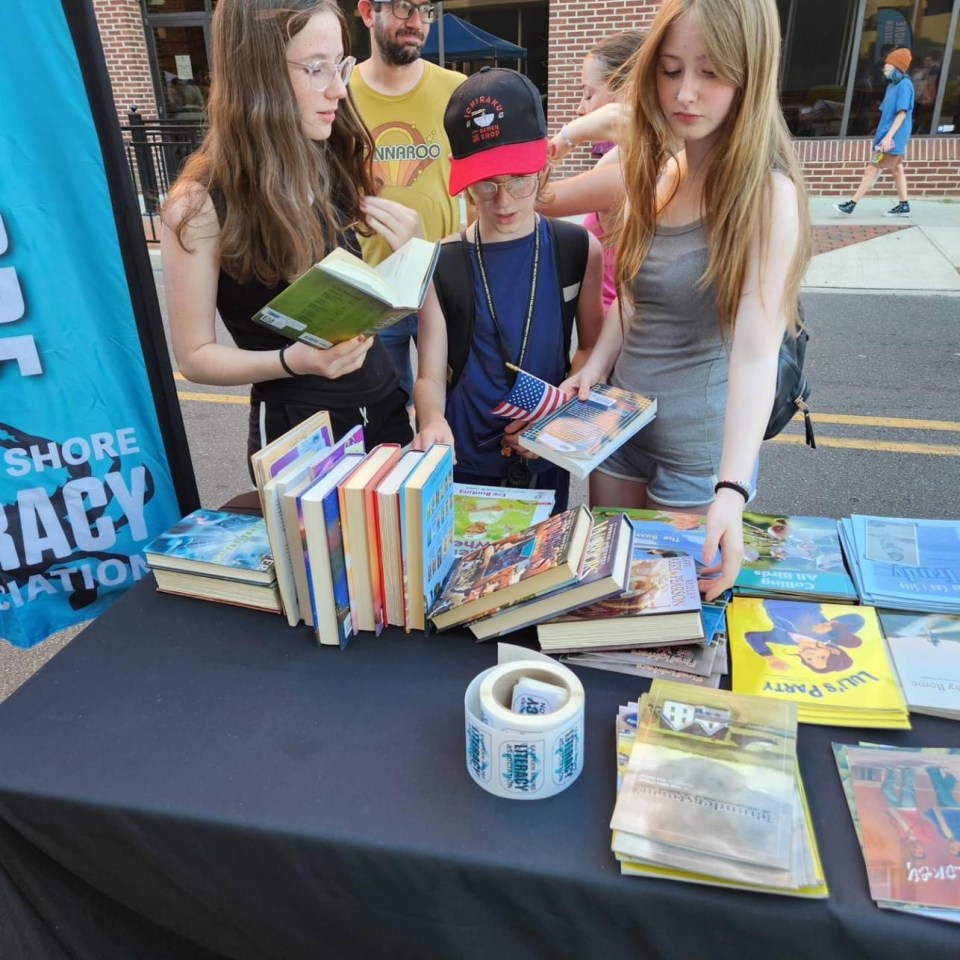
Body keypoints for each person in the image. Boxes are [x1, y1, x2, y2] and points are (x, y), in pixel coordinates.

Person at [561, 0, 811, 600]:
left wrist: (732, 490)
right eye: (670, 71)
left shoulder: (765, 198)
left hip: (698, 451)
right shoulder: (657, 171)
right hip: (619, 425)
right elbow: (633, 298)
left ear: (749, 74)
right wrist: (594, 365)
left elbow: (754, 356)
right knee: (609, 601)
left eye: (710, 72)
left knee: (668, 611)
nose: (686, 94)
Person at [161, 0, 419, 472]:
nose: (339, 89)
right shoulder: (199, 203)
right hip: (301, 430)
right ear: (257, 74)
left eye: (340, 65)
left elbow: (344, 301)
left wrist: (411, 255)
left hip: (383, 403)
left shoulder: (329, 159)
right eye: (315, 68)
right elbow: (195, 357)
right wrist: (291, 361)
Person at [413, 68, 605, 513]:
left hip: (544, 453)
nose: (503, 201)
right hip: (462, 457)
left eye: (520, 179)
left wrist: (553, 426)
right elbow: (428, 375)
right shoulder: (443, 262)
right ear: (462, 181)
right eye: (485, 184)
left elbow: (591, 349)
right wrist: (431, 419)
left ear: (544, 167)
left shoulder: (576, 249)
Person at [350, 0, 466, 409]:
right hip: (372, 291)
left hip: (444, 277)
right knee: (386, 414)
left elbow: (484, 183)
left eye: (425, 10)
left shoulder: (456, 89)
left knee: (452, 407)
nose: (417, 22)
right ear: (368, 12)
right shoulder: (340, 94)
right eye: (403, 7)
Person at [542, 29, 646, 312]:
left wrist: (564, 139)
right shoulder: (627, 159)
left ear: (628, 92)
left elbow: (531, 197)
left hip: (618, 336)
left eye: (588, 94)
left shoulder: (630, 171)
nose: (580, 108)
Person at [833, 47, 915, 218]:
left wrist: (888, 137)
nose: (884, 67)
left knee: (871, 168)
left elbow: (902, 113)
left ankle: (851, 204)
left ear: (897, 66)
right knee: (897, 170)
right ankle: (904, 205)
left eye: (888, 64)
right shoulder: (893, 85)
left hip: (891, 141)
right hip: (889, 138)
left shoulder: (904, 86)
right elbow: (888, 113)